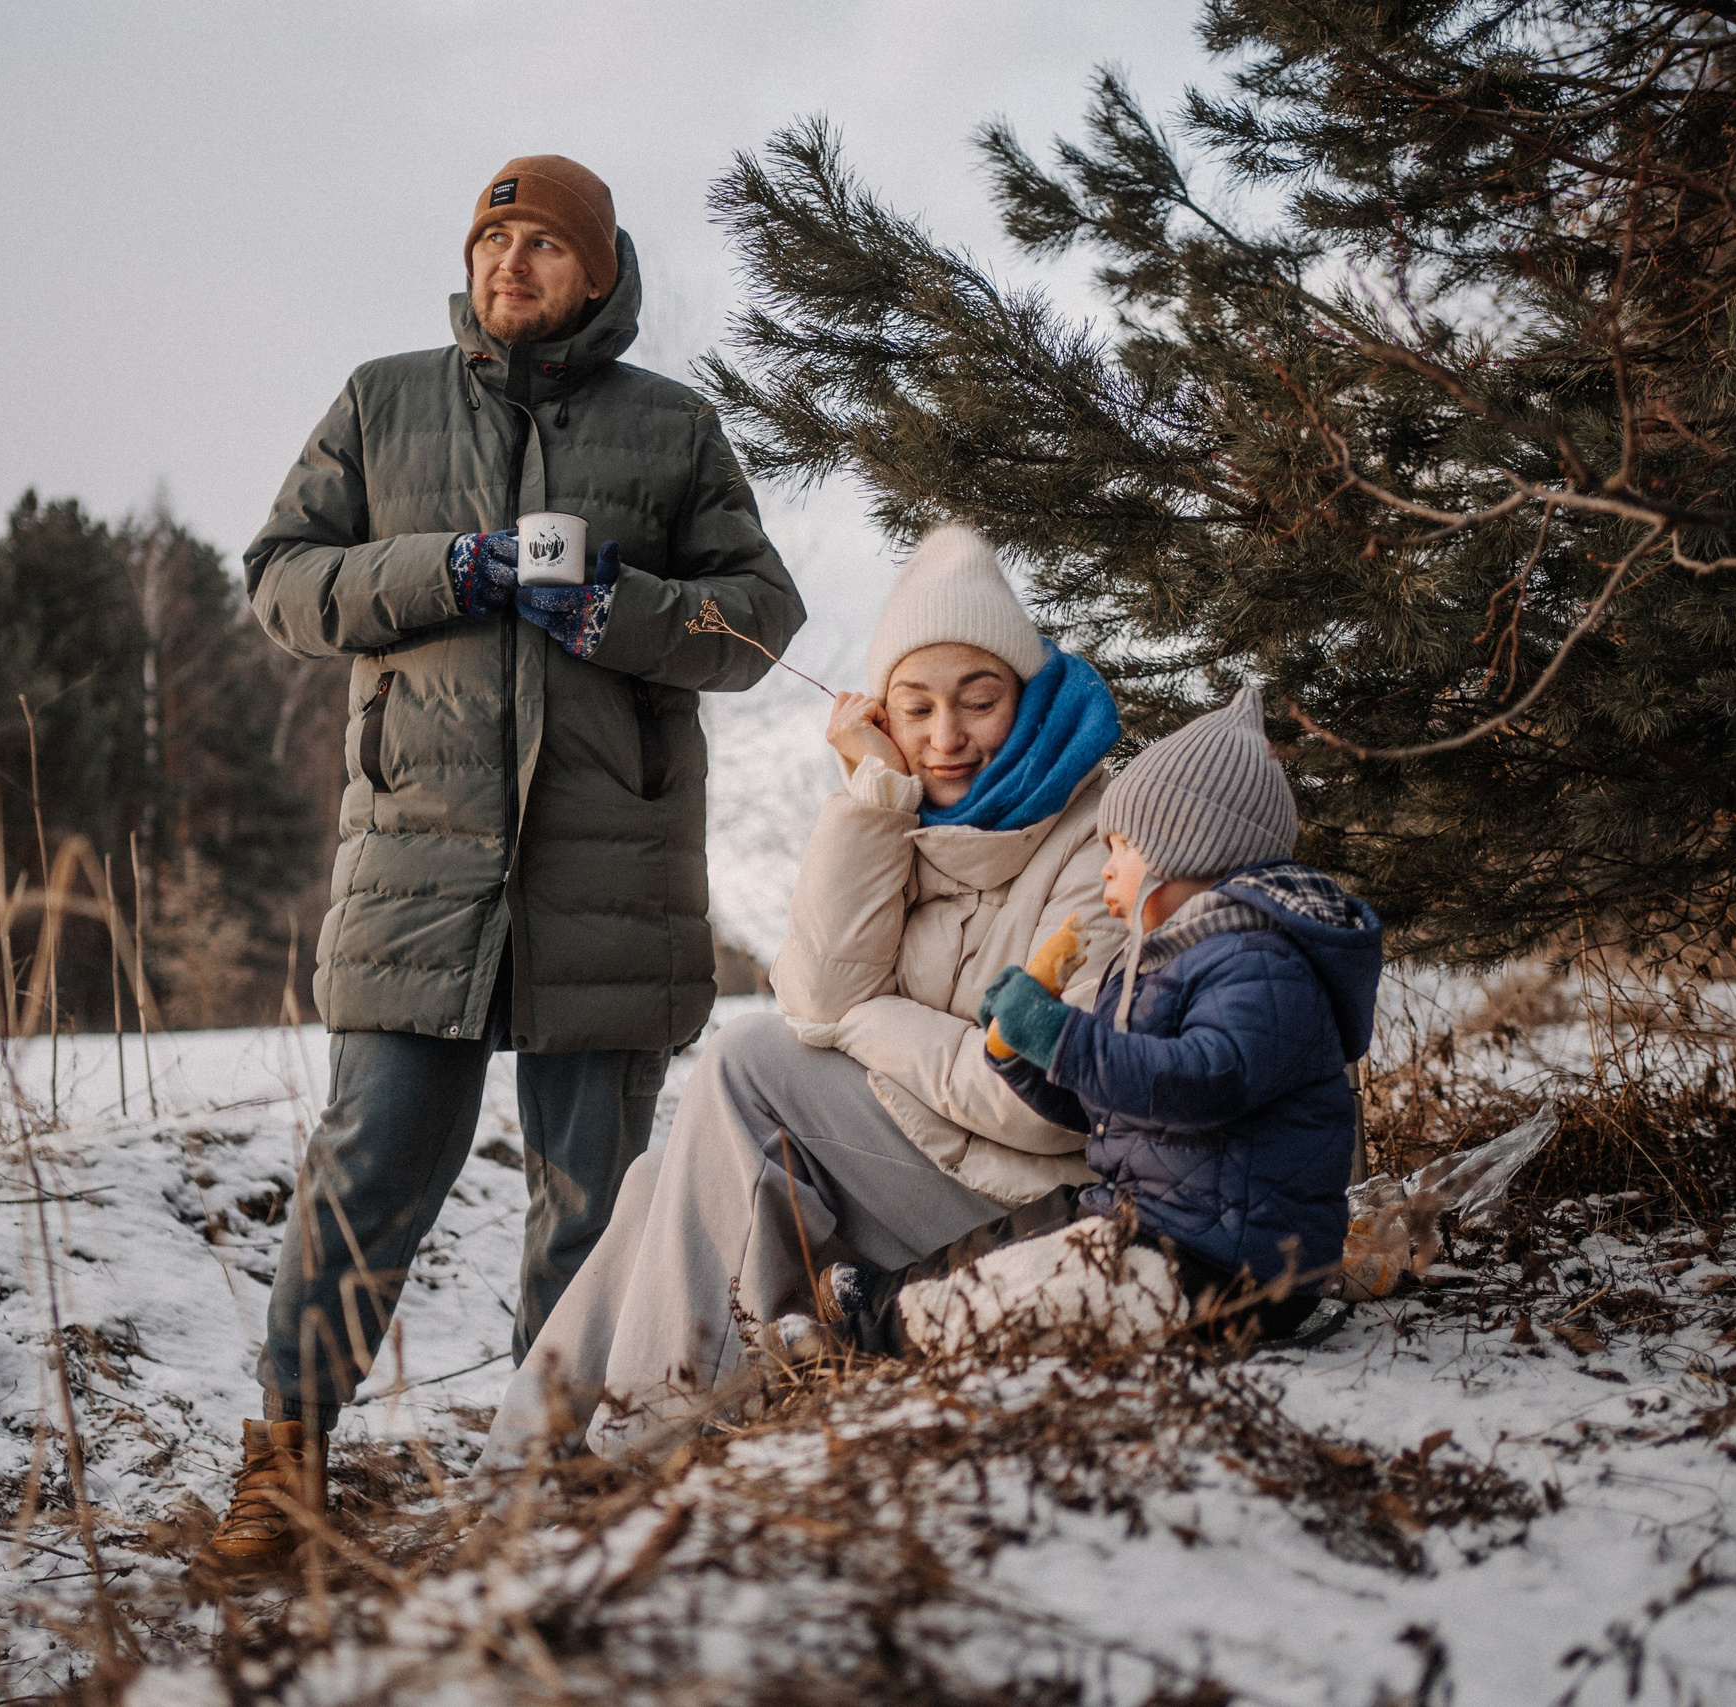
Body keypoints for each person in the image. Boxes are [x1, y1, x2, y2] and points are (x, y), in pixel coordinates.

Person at [201, 155, 805, 1575]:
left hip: (614, 881)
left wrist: (623, 612)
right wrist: (444, 572)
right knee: (369, 1168)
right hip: (418, 870)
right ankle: (286, 1469)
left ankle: (551, 1471)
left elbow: (763, 618)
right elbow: (279, 577)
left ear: (599, 273)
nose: (510, 264)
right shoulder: (382, 399)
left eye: (544, 244)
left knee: (591, 1196)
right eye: (494, 240)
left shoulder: (674, 431)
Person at [486, 525, 1121, 1464]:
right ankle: (519, 1469)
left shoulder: (1095, 838)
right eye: (917, 708)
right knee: (662, 1182)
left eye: (978, 701)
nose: (947, 736)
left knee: (745, 1062)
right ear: (884, 717)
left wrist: (870, 1022)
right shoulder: (900, 810)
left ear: (1022, 699)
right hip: (924, 1161)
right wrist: (872, 802)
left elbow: (1050, 1101)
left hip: (1032, 1199)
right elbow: (819, 989)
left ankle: (643, 1446)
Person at [816, 685, 1382, 1357]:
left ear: (1186, 847)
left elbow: (1199, 1083)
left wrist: (1061, 1036)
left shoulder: (1261, 962)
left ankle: (876, 1337)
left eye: (1121, 847)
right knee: (1031, 1231)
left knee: (1037, 1284)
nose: (1108, 867)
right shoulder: (1174, 957)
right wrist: (1021, 1055)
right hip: (1166, 1222)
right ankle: (887, 1300)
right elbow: (1117, 1102)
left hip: (1236, 1267)